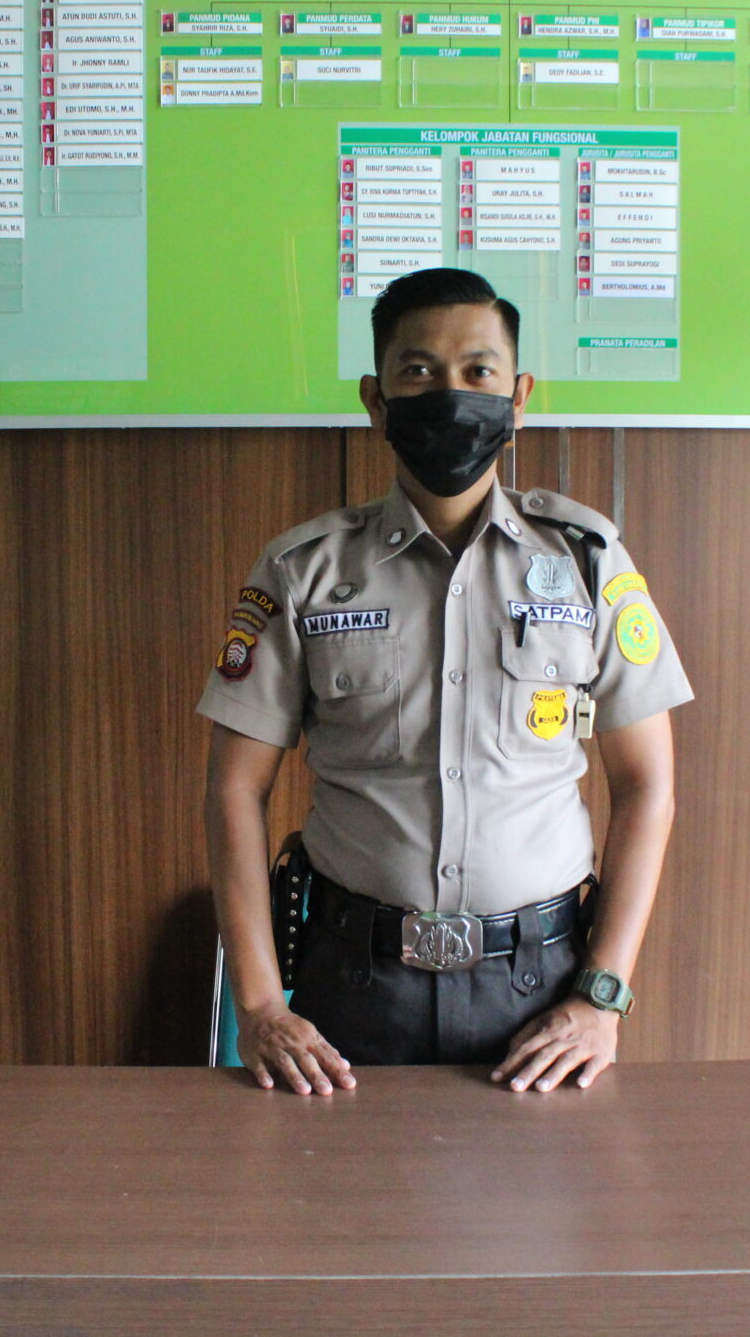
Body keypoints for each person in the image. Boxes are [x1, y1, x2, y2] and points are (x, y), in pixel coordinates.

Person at [199, 268, 692, 1097]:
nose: (450, 395)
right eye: (419, 371)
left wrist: (600, 997)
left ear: (519, 397)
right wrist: (258, 1005)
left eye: (478, 371)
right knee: (341, 1186)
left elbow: (648, 786)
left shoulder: (587, 559)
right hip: (351, 985)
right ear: (376, 400)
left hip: (540, 991)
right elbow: (233, 787)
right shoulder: (303, 571)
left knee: (543, 1189)